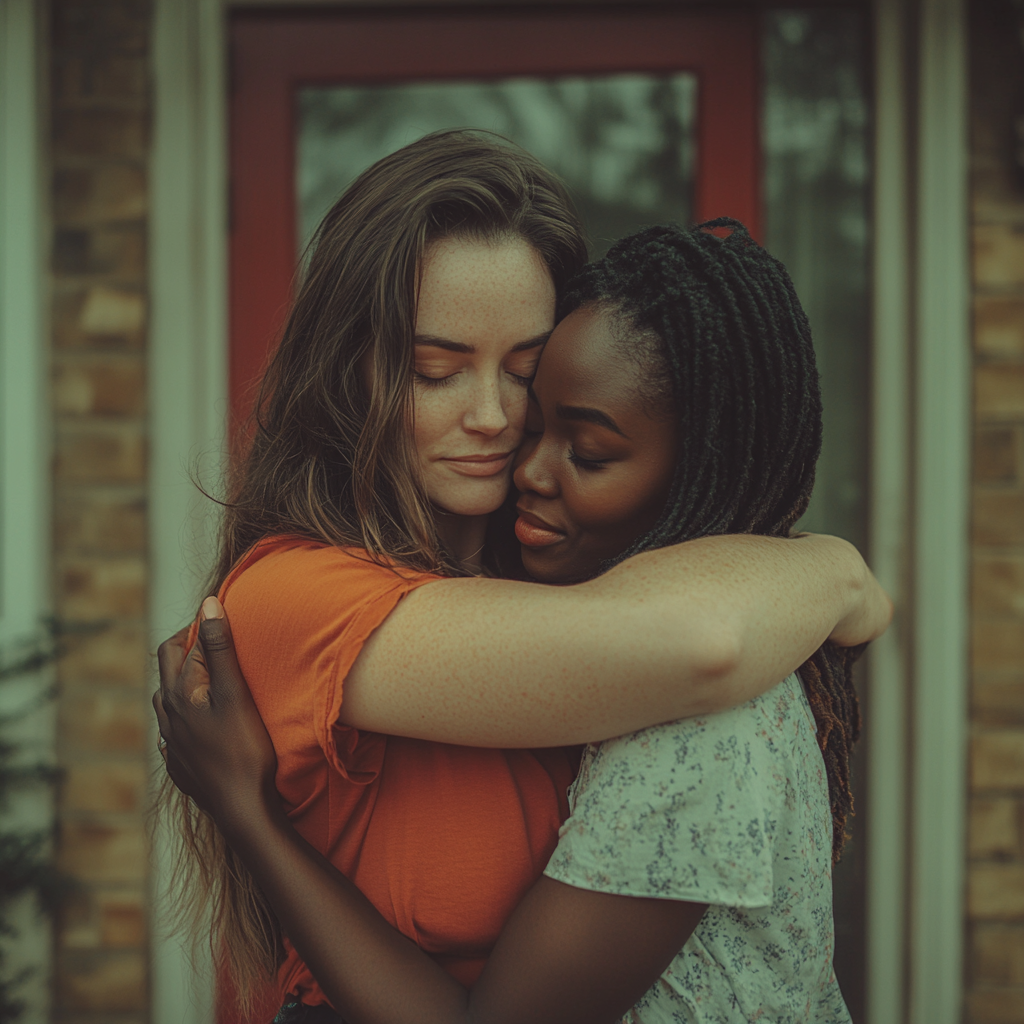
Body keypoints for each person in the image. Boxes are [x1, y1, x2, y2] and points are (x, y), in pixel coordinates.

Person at [159, 129, 889, 1020]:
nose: (494, 416)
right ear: (350, 366)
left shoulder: (557, 574)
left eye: (526, 370)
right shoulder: (288, 597)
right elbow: (703, 641)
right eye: (437, 370)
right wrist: (836, 569)